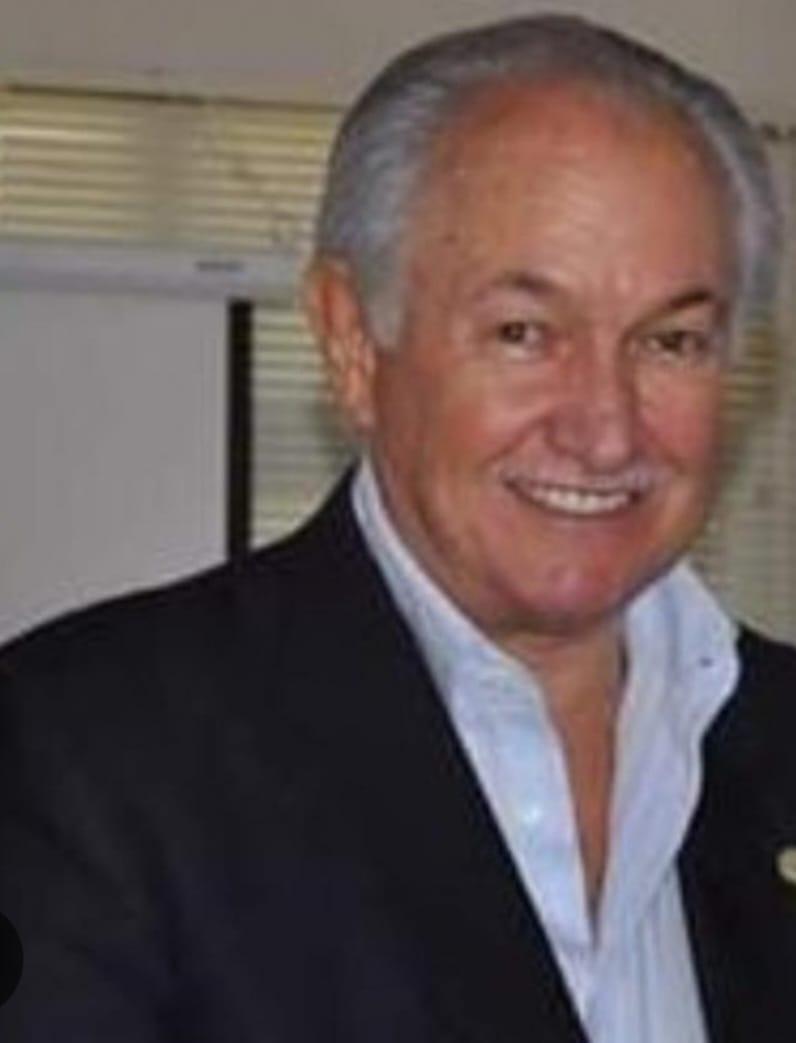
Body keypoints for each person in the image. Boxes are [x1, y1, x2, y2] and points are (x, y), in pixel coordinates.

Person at [1, 14, 795, 1043]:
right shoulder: (84, 753)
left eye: (672, 340)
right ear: (349, 339)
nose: (605, 429)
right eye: (524, 332)